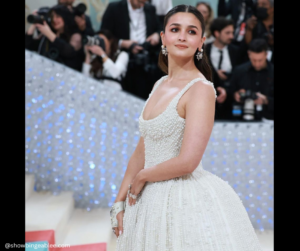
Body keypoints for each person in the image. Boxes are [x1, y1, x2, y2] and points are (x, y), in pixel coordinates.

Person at [110, 5, 263, 250]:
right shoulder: (160, 83)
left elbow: (188, 161)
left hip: (181, 200)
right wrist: (118, 202)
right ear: (163, 37)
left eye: (191, 31)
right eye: (175, 29)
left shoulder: (201, 89)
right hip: (146, 200)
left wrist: (143, 176)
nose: (182, 36)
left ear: (201, 42)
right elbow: (142, 149)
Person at [100, 0, 164, 100]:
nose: (142, 5)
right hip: (122, 60)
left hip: (146, 61)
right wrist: (122, 43)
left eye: (144, 2)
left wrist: (156, 35)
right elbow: (104, 35)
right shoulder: (114, 8)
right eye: (140, 2)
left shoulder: (150, 9)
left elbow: (160, 28)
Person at [25, 4, 83, 72]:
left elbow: (69, 52)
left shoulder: (75, 35)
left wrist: (49, 33)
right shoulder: (49, 33)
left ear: (65, 17)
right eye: (52, 16)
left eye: (58, 16)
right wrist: (34, 22)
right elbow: (28, 46)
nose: (54, 19)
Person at [231, 38, 273, 121]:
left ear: (266, 55)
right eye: (254, 60)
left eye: (260, 60)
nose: (257, 64)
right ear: (249, 54)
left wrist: (266, 100)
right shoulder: (239, 71)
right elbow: (229, 94)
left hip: (270, 119)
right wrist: (236, 95)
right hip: (242, 119)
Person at [205, 17, 239, 120]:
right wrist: (215, 74)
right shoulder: (204, 50)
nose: (231, 36)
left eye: (232, 33)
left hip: (230, 102)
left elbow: (240, 75)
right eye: (227, 33)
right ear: (216, 33)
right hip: (207, 100)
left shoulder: (236, 51)